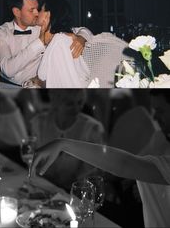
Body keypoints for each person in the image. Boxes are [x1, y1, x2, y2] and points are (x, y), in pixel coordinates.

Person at [31, 89, 170, 228]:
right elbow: (130, 167)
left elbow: (124, 164)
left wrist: (63, 144)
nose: (155, 118)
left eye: (161, 110)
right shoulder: (160, 137)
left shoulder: (91, 128)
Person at [0, 0, 93, 86]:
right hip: (9, 86)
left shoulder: (42, 26)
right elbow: (7, 70)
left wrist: (81, 38)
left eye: (38, 8)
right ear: (17, 12)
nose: (37, 13)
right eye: (31, 10)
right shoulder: (1, 33)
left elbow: (82, 30)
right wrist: (40, 42)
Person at [30, 89, 104, 190]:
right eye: (69, 103)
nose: (76, 108)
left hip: (74, 190)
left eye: (80, 102)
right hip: (43, 186)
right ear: (56, 102)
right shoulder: (39, 123)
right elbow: (34, 158)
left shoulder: (92, 129)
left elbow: (91, 171)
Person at [36, 0, 91, 88]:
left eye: (41, 9)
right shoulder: (62, 37)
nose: (38, 13)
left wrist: (37, 81)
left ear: (48, 15)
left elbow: (46, 77)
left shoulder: (60, 41)